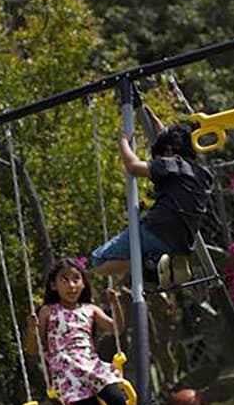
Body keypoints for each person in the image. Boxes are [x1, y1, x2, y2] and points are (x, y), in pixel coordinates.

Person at [25, 256, 158, 405]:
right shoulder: (48, 311)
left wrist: (115, 305)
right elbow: (32, 348)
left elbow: (116, 328)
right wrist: (31, 328)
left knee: (117, 400)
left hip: (93, 366)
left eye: (76, 279)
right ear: (54, 285)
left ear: (84, 283)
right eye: (64, 280)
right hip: (67, 374)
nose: (71, 285)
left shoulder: (90, 309)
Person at [89, 104, 213, 288]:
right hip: (182, 243)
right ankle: (165, 261)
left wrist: (123, 142)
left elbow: (133, 166)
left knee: (98, 262)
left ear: (168, 153)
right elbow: (166, 136)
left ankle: (149, 263)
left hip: (156, 230)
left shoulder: (171, 164)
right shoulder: (202, 175)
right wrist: (150, 115)